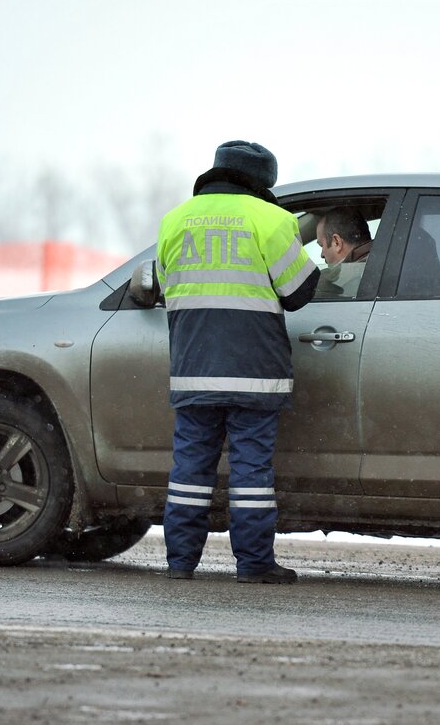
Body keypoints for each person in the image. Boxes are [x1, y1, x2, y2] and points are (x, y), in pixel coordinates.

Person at [155, 140, 319, 584]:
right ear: (264, 183)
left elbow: (164, 286)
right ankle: (253, 563)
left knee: (189, 471)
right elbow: (299, 292)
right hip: (254, 373)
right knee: (250, 475)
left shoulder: (176, 220)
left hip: (193, 369)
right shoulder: (271, 220)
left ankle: (180, 563)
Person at [313, 207, 372, 299]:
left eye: (322, 245)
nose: (322, 254)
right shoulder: (383, 261)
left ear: (337, 242)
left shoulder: (348, 278)